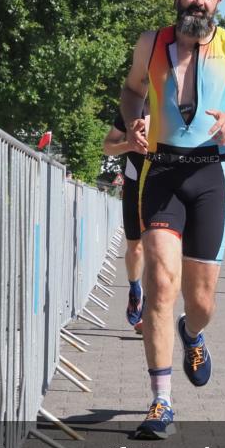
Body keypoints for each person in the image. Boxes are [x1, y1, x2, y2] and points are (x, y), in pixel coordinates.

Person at [120, 0, 225, 439]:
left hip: (211, 174)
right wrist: (134, 123)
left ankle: (193, 332)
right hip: (162, 171)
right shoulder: (151, 43)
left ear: (218, 3)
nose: (199, 1)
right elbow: (131, 91)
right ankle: (161, 402)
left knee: (201, 299)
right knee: (161, 283)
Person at [102, 108, 150, 334]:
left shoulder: (179, 109)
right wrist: (130, 145)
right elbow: (108, 146)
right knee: (137, 250)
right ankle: (134, 289)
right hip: (134, 184)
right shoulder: (131, 112)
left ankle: (150, 313)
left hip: (165, 186)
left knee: (160, 250)